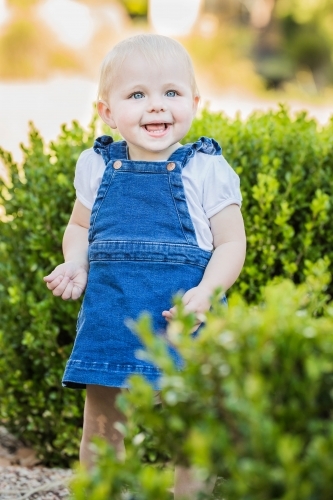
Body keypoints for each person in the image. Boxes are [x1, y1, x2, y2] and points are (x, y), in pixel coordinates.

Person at [43, 33, 246, 499]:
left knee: (194, 425)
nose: (157, 107)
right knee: (102, 423)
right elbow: (79, 227)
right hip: (113, 315)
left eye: (171, 93)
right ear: (108, 112)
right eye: (137, 95)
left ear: (194, 102)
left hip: (184, 318)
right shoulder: (97, 165)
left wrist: (210, 290)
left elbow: (232, 242)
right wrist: (77, 260)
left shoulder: (206, 168)